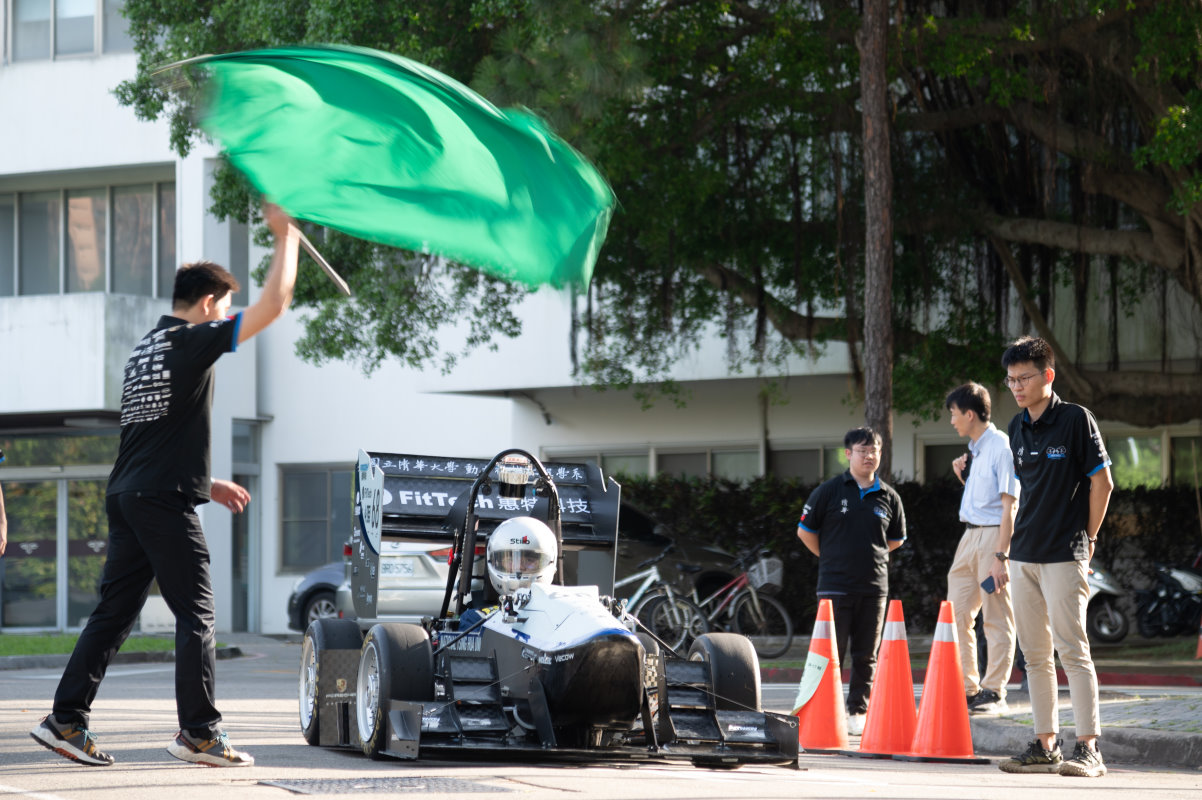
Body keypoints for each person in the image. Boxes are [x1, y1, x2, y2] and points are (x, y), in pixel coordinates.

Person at [31, 203, 299, 768]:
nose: (225, 317)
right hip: (159, 501)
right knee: (196, 612)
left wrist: (210, 482)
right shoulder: (194, 339)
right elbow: (274, 305)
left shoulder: (144, 350)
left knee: (114, 612)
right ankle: (199, 733)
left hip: (128, 493)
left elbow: (158, 434)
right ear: (207, 306)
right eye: (223, 308)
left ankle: (66, 719)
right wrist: (287, 237)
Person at [992, 336, 1114, 778]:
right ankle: (1046, 745)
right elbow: (1022, 493)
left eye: (1024, 377)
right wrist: (1004, 553)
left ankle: (1089, 749)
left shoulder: (1076, 419)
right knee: (1035, 656)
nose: (1017, 387)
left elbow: (1103, 484)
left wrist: (1091, 537)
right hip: (1023, 556)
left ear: (1048, 375)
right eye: (1010, 380)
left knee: (1072, 651)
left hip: (1066, 553)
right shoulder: (1017, 427)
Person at [796, 427, 907, 736]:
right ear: (848, 454)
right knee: (828, 651)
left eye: (874, 451)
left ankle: (857, 710)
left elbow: (895, 540)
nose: (869, 456)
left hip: (874, 587)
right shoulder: (829, 491)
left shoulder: (889, 497)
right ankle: (815, 710)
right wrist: (830, 557)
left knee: (866, 654)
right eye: (862, 450)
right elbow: (805, 531)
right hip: (834, 585)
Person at [945, 382, 1018, 715]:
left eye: (954, 414)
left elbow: (1008, 506)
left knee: (996, 616)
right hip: (968, 536)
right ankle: (968, 688)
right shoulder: (975, 448)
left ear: (969, 413)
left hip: (992, 538)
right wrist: (963, 476)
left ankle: (993, 690)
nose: (952, 421)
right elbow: (981, 499)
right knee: (957, 612)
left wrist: (1001, 556)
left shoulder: (1001, 446)